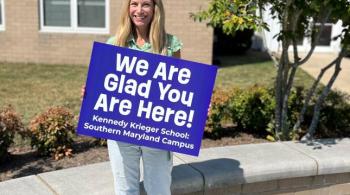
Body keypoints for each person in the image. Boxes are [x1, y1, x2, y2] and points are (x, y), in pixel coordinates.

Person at [106, 0, 182, 194]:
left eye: (146, 4)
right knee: (125, 190)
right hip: (121, 130)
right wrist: (90, 92)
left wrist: (195, 106)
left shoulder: (170, 45)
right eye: (134, 4)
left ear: (155, 8)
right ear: (128, 8)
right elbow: (106, 85)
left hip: (157, 131)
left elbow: (179, 90)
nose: (139, 10)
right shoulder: (115, 44)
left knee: (159, 190)